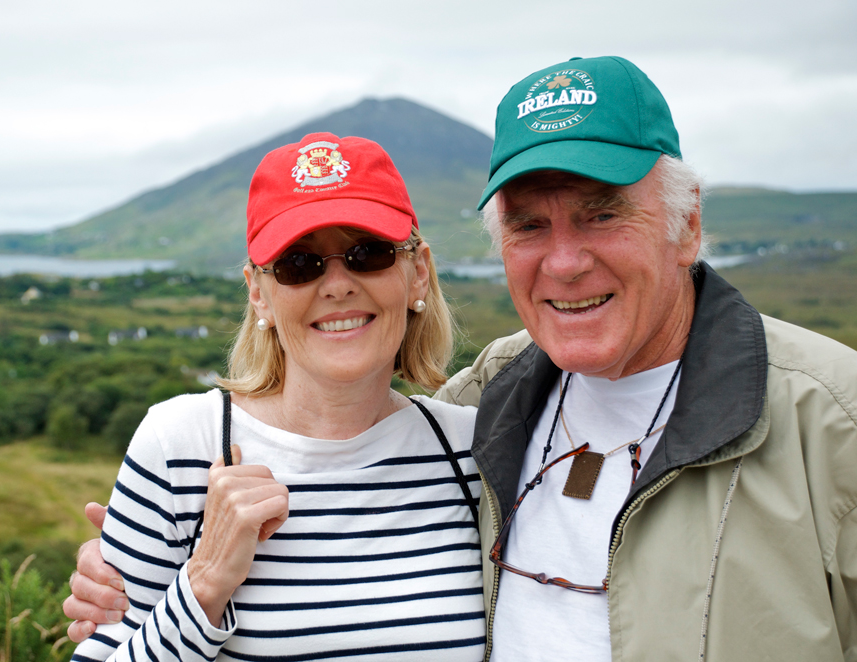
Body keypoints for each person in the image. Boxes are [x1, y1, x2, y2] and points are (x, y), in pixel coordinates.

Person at [68, 56, 857, 661]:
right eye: (301, 265)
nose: (567, 262)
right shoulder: (491, 407)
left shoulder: (831, 419)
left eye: (602, 214)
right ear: (258, 292)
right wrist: (194, 590)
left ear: (687, 227)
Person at [68, 132, 486, 661]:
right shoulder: (181, 446)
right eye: (298, 264)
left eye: (368, 254)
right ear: (258, 292)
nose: (337, 285)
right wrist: (204, 585)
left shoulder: (471, 451)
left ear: (418, 271)